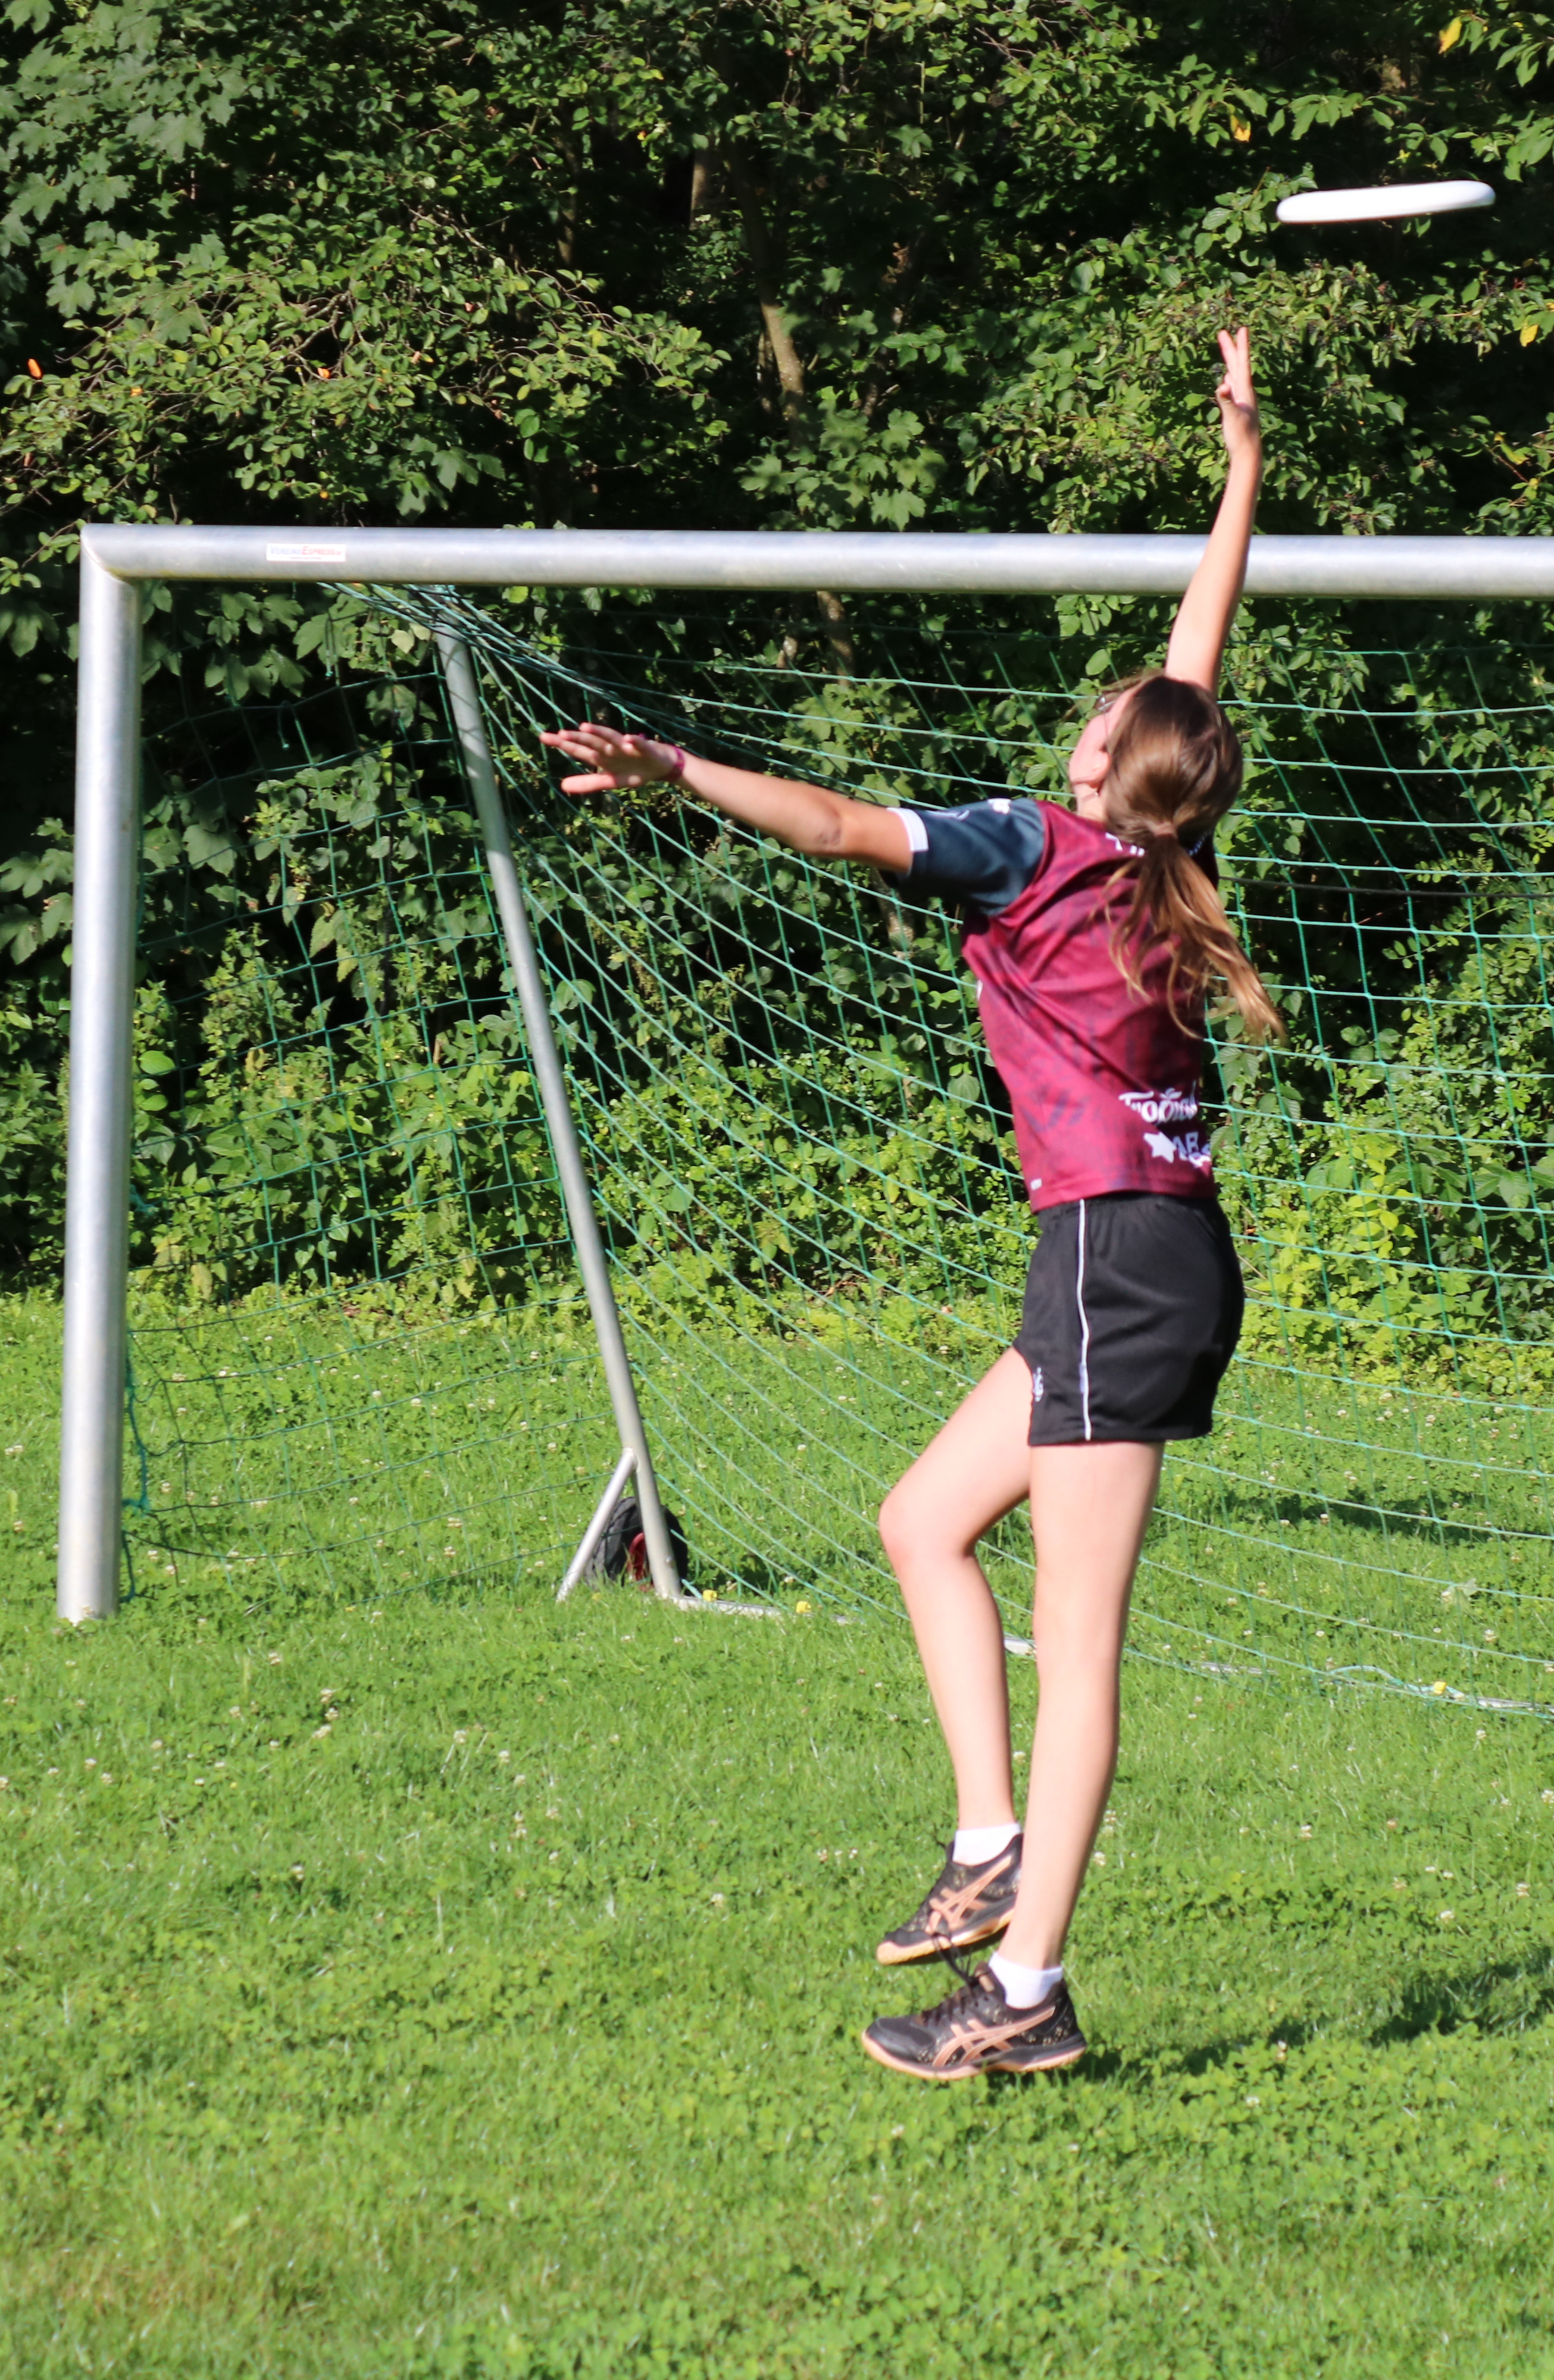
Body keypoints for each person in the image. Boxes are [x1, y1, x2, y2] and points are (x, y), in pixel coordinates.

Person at [538, 327, 1279, 2080]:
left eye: (1106, 716)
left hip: (1117, 1262)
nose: (1098, 711)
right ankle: (984, 1847)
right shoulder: (1171, 848)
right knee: (921, 1523)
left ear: (1108, 763)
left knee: (1082, 1649)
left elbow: (835, 821)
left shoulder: (1040, 839)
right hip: (1140, 1258)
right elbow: (1198, 664)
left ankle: (1026, 1996)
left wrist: (679, 773)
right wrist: (1241, 471)